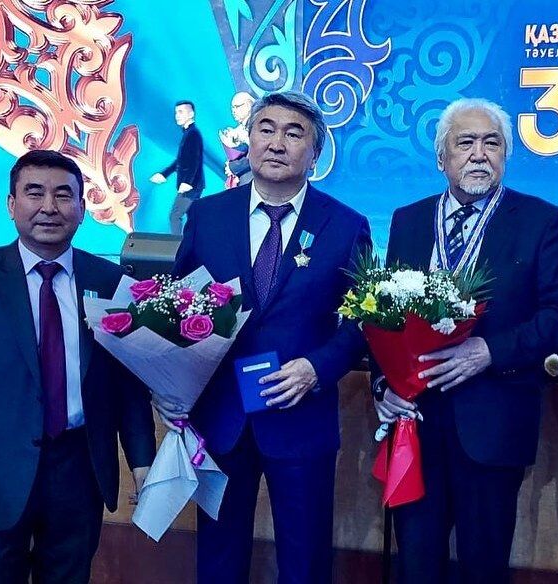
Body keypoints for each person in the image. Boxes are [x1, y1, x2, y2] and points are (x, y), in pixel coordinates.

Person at [0, 150, 156, 583]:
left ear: (82, 208)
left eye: (63, 195)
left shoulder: (112, 282)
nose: (49, 207)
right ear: (11, 205)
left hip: (79, 470)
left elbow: (127, 385)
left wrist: (143, 461)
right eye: (34, 193)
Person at [159, 90, 371, 584]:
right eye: (266, 129)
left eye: (294, 134)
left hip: (300, 416)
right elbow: (176, 304)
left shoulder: (345, 226)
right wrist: (169, 383)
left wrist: (318, 367)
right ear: (248, 140)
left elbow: (362, 321)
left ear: (314, 155)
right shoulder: (207, 216)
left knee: (305, 560)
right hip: (220, 418)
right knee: (218, 557)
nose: (277, 143)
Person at [372, 98, 558, 583]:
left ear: (506, 155)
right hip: (415, 424)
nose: (480, 154)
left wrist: (490, 351)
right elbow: (382, 313)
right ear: (441, 158)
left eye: (492, 143)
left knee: (484, 565)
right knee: (415, 564)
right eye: (466, 142)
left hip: (493, 425)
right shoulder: (407, 220)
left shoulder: (541, 220)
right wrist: (383, 385)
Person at [150, 100, 205, 234]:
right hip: (192, 185)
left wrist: (187, 182)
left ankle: (177, 246)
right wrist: (164, 174)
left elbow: (195, 160)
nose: (177, 116)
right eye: (176, 112)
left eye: (181, 112)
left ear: (191, 114)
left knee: (175, 216)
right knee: (193, 218)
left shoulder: (193, 134)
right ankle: (191, 244)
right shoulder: (188, 133)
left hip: (191, 186)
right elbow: (181, 161)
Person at [221, 91, 255, 188]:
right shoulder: (240, 129)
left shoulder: (256, 125)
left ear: (248, 105)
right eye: (232, 108)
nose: (234, 111)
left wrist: (234, 166)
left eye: (237, 106)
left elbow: (257, 154)